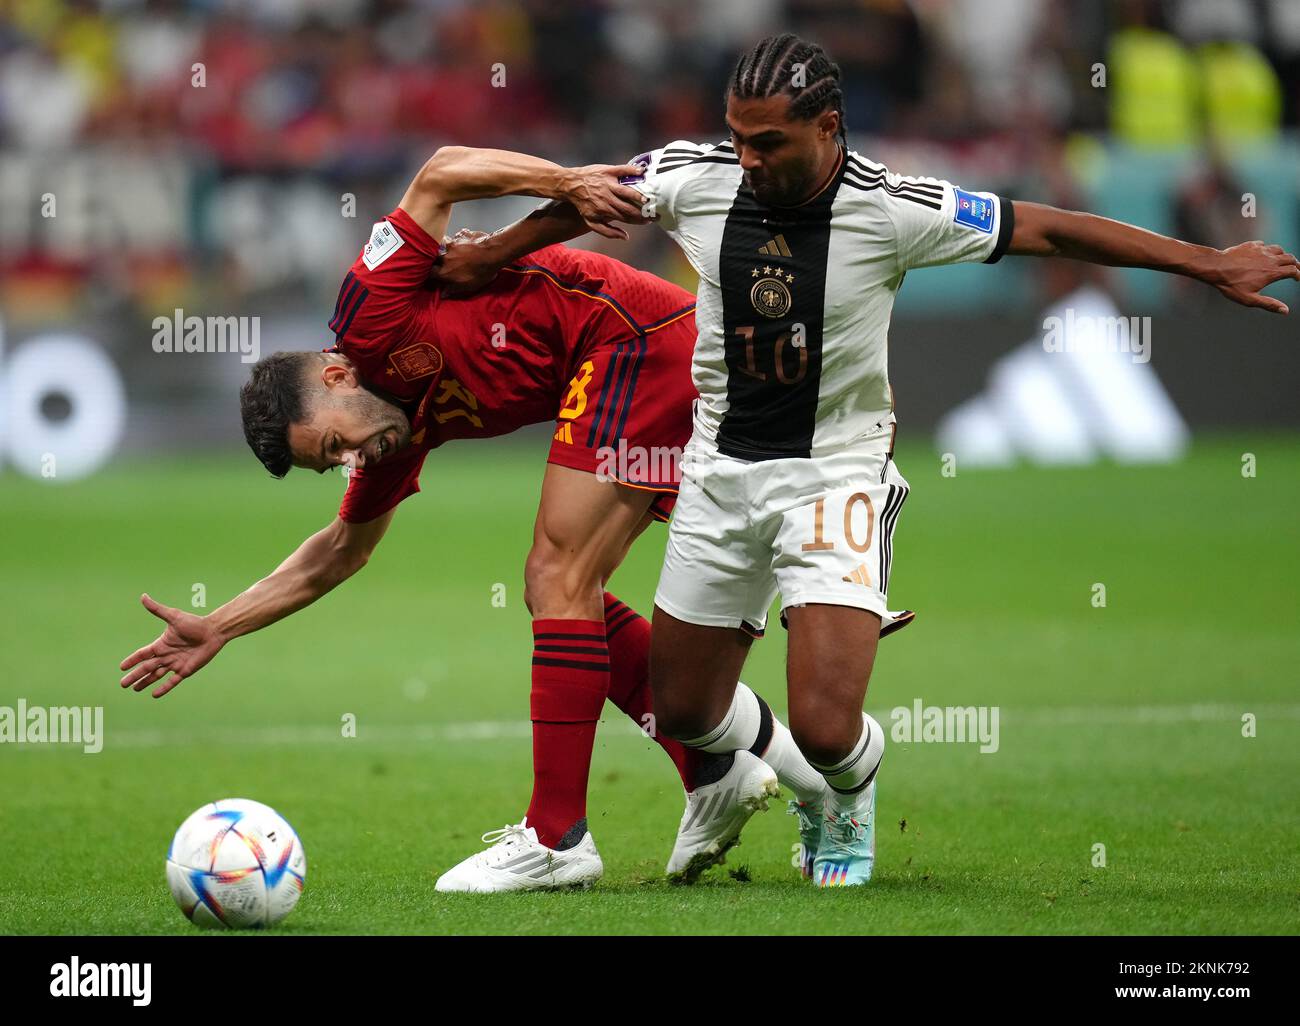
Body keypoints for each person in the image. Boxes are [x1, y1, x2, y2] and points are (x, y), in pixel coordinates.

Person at [426, 33, 1299, 887]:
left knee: (823, 724)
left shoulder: (892, 209)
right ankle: (784, 771)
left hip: (834, 475)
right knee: (685, 710)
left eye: (768, 142)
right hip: (719, 471)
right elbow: (591, 197)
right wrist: (493, 253)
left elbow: (1047, 228)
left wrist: (1207, 261)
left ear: (830, 128)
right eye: (738, 138)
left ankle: (848, 785)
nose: (750, 159)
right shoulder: (698, 180)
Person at [118, 144, 834, 893]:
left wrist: (564, 185)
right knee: (578, 592)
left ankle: (557, 837)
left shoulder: (369, 312)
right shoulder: (389, 437)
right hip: (645, 361)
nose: (347, 462)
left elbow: (440, 170)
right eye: (330, 464)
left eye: (334, 445)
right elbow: (337, 552)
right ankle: (717, 766)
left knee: (556, 575)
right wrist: (220, 625)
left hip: (632, 341)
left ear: (337, 376)